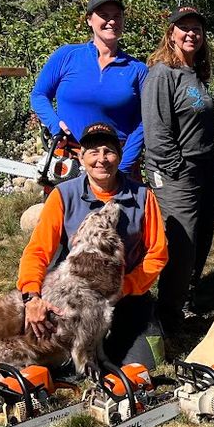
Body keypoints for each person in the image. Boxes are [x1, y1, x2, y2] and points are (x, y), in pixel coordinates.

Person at [19, 121, 167, 368]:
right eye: (93, 152)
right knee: (52, 365)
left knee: (145, 365)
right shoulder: (63, 195)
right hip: (74, 298)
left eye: (109, 151)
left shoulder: (143, 196)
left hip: (126, 295)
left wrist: (125, 288)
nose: (102, 159)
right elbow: (37, 251)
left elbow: (157, 254)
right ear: (81, 156)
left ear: (119, 156)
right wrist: (32, 296)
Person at [141, 5, 214, 328]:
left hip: (204, 166)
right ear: (171, 33)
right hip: (176, 171)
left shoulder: (196, 74)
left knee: (201, 237)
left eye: (196, 29)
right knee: (181, 242)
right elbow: (156, 130)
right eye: (183, 28)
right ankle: (167, 313)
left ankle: (185, 300)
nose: (191, 34)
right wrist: (176, 168)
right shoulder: (161, 74)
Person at [30, 0, 148, 174]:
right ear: (89, 20)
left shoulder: (137, 69)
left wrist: (123, 165)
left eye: (117, 16)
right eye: (103, 15)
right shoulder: (67, 56)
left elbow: (144, 121)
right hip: (70, 156)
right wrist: (55, 125)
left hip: (117, 158)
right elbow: (39, 95)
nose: (111, 21)